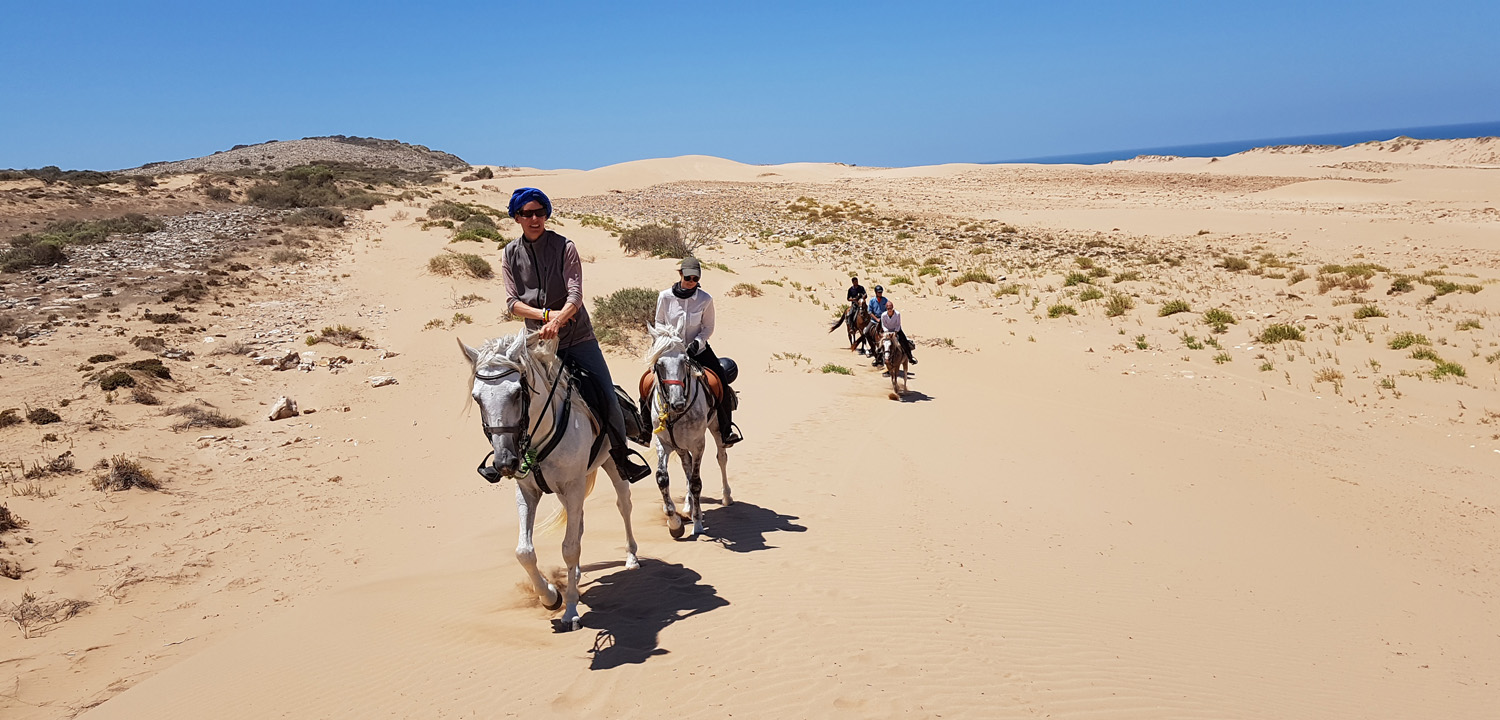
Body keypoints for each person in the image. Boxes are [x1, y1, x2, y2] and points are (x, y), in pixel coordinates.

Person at [501, 187, 652, 483]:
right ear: (517, 217)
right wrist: (546, 316)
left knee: (606, 395)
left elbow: (575, 295)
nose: (535, 219)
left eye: (540, 212)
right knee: (512, 397)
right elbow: (512, 303)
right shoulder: (510, 253)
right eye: (527, 214)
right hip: (536, 343)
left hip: (577, 338)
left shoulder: (564, 247)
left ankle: (622, 457)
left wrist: (561, 319)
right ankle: (511, 457)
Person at [652, 257, 743, 446]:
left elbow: (708, 327)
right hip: (671, 351)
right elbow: (659, 322)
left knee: (720, 382)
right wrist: (666, 339)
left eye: (695, 279)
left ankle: (726, 430)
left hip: (697, 350)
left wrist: (697, 342)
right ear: (680, 275)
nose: (691, 282)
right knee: (647, 382)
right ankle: (645, 428)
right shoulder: (665, 297)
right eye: (688, 278)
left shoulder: (705, 299)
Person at [877, 300, 917, 365]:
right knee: (881, 343)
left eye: (890, 308)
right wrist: (887, 332)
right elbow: (883, 325)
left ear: (893, 308)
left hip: (897, 330)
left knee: (904, 343)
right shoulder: (883, 315)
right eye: (888, 309)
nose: (889, 310)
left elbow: (898, 324)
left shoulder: (897, 314)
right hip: (887, 331)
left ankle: (910, 357)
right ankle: (878, 359)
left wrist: (895, 332)